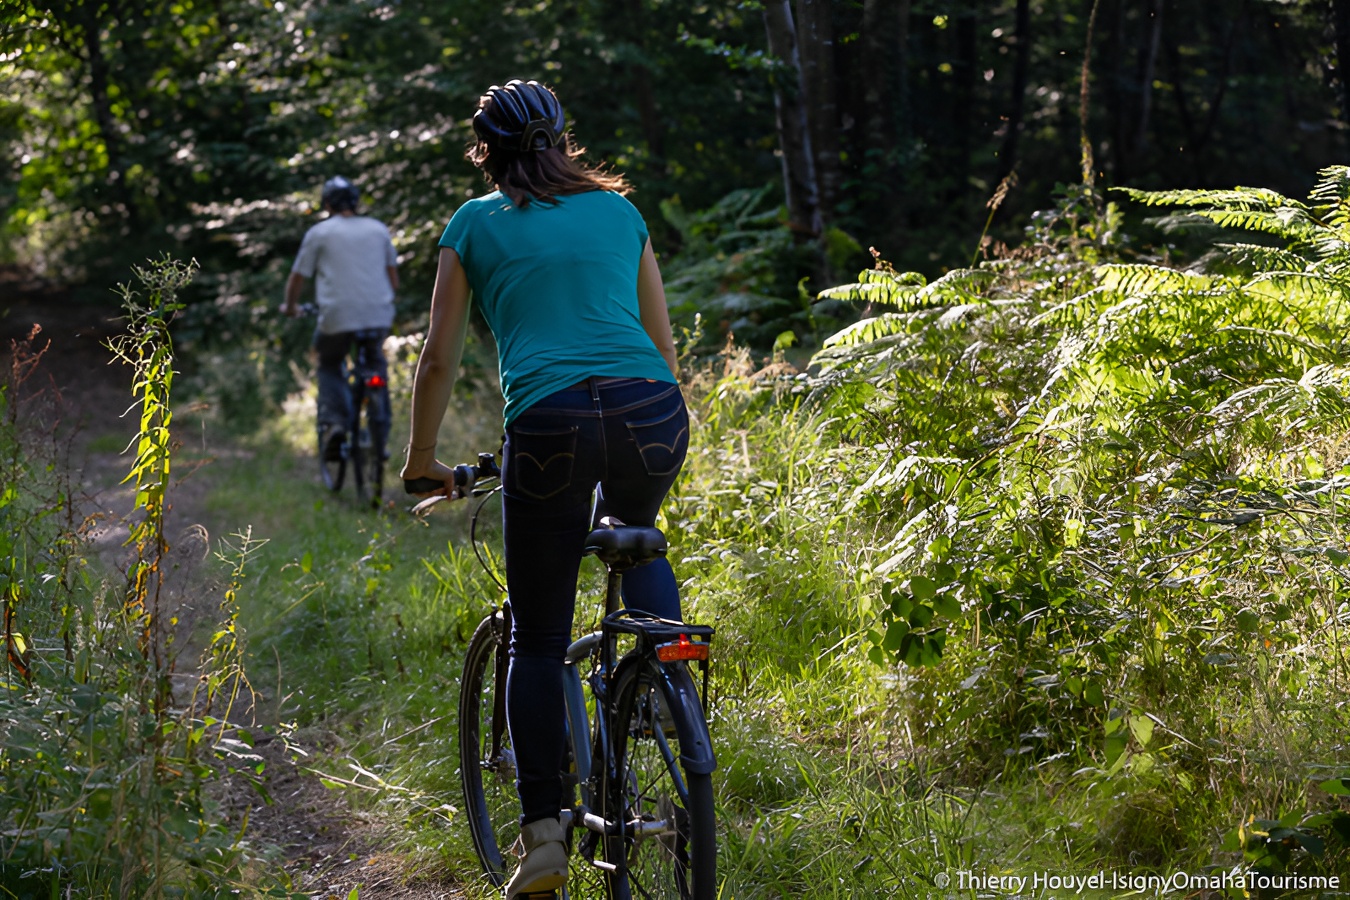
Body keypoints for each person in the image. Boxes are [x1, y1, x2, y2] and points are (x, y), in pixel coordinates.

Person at [400, 80, 687, 898]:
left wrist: (423, 460)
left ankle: (542, 841)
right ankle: (666, 683)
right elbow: (661, 346)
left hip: (550, 424)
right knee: (634, 523)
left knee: (537, 632)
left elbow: (438, 359)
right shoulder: (618, 212)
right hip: (653, 412)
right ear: (564, 138)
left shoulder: (472, 224)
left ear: (484, 150)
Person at [282, 176, 400, 461]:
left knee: (329, 362)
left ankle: (335, 423)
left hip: (336, 317)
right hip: (378, 315)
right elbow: (393, 280)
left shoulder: (319, 233)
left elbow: (298, 277)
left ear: (326, 205)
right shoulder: (378, 229)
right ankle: (379, 433)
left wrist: (290, 306)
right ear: (356, 202)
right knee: (375, 365)